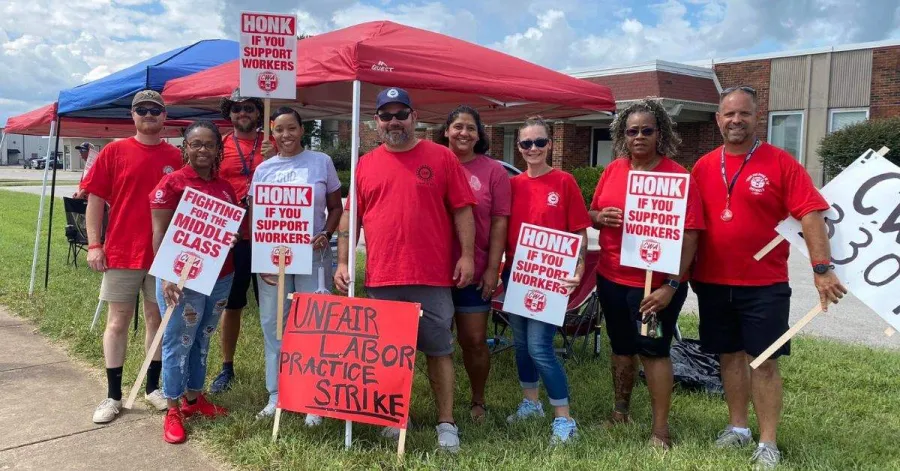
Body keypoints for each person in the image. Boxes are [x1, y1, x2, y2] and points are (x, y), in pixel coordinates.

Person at [691, 85, 847, 469]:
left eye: (743, 113)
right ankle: (738, 427)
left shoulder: (781, 163)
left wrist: (821, 268)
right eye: (728, 114)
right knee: (729, 357)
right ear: (718, 120)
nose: (736, 120)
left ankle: (768, 442)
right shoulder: (704, 166)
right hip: (712, 282)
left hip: (764, 284)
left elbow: (811, 214)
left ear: (757, 116)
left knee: (763, 361)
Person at [334, 87, 476, 452]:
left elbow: (462, 209)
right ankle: (396, 415)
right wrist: (345, 261)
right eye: (386, 115)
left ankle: (447, 422)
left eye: (401, 114)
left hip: (431, 276)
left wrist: (467, 256)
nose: (394, 121)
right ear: (377, 121)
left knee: (438, 350)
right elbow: (353, 215)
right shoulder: (365, 163)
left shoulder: (441, 157)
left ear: (414, 117)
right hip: (382, 277)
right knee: (388, 355)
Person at [588, 99, 705, 449]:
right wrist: (599, 217)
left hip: (654, 287)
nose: (639, 137)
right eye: (632, 131)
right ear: (623, 135)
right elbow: (592, 212)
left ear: (660, 133)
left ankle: (660, 430)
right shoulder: (613, 170)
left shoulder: (678, 177)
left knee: (654, 352)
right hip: (611, 277)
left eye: (647, 130)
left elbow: (692, 236)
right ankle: (620, 412)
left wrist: (671, 285)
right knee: (621, 347)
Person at [82, 90, 184, 423]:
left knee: (157, 321)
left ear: (164, 116)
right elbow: (95, 200)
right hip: (123, 252)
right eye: (142, 109)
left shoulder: (176, 156)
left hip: (163, 256)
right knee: (117, 321)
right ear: (133, 114)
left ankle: (152, 387)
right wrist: (95, 244)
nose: (149, 114)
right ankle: (112, 395)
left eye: (156, 110)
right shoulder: (114, 151)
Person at [501, 116, 590, 445]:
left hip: (550, 277)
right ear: (519, 147)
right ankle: (531, 403)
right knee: (522, 345)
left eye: (540, 142)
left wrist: (578, 268)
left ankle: (565, 419)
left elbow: (579, 231)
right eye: (526, 143)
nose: (533, 148)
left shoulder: (564, 182)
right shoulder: (512, 185)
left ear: (550, 144)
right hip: (517, 273)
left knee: (540, 348)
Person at [252, 107, 343, 422]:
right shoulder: (263, 169)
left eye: (291, 128)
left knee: (314, 324)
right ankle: (276, 393)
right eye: (279, 130)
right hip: (273, 258)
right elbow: (258, 217)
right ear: (272, 133)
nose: (286, 135)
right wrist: (260, 256)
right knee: (273, 323)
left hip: (312, 255)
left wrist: (326, 233)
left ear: (302, 130)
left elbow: (335, 207)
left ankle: (312, 397)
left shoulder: (321, 162)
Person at [149, 120, 237, 444]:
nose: (202, 150)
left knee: (203, 338)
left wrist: (232, 235)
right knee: (177, 341)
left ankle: (194, 399)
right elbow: (159, 232)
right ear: (185, 147)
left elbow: (227, 229)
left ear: (218, 149)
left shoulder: (225, 187)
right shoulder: (171, 183)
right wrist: (167, 274)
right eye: (195, 144)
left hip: (221, 275)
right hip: (182, 279)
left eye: (209, 144)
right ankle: (172, 406)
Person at [437, 105, 511, 422]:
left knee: (475, 341)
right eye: (458, 126)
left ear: (479, 135)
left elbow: (499, 223)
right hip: (432, 270)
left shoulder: (493, 171)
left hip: (475, 269)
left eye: (470, 128)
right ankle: (441, 403)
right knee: (434, 341)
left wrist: (493, 268)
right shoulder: (432, 163)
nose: (464, 133)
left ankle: (477, 399)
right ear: (446, 131)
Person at [209, 88, 276, 394]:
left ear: (259, 111)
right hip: (234, 238)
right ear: (229, 113)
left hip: (270, 236)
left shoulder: (274, 143)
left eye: (249, 107)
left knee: (273, 305)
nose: (243, 113)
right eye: (237, 109)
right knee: (232, 304)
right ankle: (227, 367)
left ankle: (278, 367)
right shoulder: (220, 147)